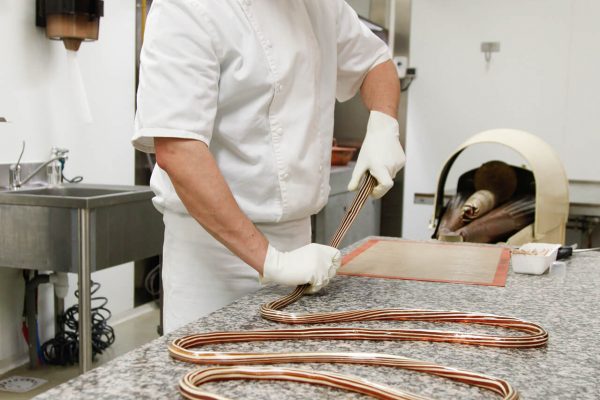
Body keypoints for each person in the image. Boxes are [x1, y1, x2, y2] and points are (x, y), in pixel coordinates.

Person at [132, 0, 405, 334]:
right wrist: (271, 261)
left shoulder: (321, 6)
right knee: (212, 374)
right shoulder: (188, 7)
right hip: (213, 260)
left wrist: (383, 123)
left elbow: (375, 62)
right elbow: (179, 151)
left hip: (301, 249)